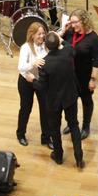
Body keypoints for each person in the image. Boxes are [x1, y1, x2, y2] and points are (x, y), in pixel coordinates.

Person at [34, 31, 85, 169]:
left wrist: (32, 80)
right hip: (70, 97)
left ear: (46, 46)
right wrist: (60, 38)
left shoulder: (45, 63)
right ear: (58, 43)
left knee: (55, 129)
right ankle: (79, 158)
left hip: (53, 101)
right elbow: (68, 46)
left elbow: (41, 86)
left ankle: (58, 157)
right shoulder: (67, 53)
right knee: (74, 126)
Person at [61, 9, 98, 140]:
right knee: (69, 102)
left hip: (84, 76)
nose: (73, 25)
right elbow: (54, 41)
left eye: (75, 22)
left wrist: (92, 80)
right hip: (68, 75)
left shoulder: (94, 39)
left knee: (86, 101)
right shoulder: (70, 32)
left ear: (83, 20)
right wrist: (63, 29)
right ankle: (72, 124)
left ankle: (86, 126)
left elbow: (96, 61)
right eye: (71, 22)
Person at [16, 21, 50, 147]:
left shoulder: (46, 45)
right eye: (39, 34)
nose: (42, 36)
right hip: (26, 81)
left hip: (40, 81)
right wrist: (33, 63)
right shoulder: (26, 47)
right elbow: (21, 67)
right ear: (32, 35)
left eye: (43, 33)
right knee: (26, 108)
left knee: (45, 109)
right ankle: (20, 134)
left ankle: (46, 138)